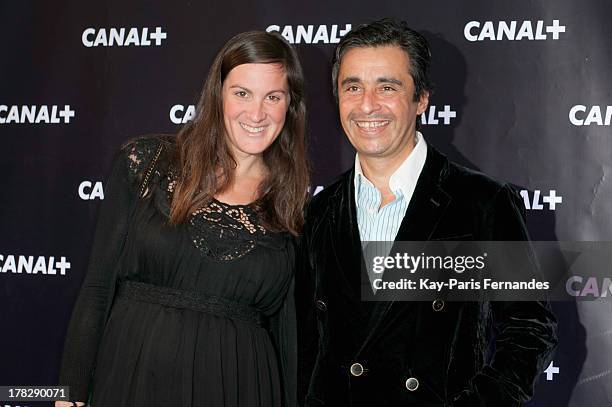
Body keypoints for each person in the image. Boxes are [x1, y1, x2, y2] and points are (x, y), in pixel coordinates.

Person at [297, 18, 557, 406]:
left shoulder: (482, 203)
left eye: (387, 87)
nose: (367, 105)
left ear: (421, 99)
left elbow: (530, 327)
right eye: (353, 87)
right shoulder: (317, 212)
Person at [57, 31, 308, 407]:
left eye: (273, 97)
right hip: (132, 377)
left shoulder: (292, 204)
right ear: (217, 95)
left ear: (290, 107)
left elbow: (287, 334)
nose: (257, 113)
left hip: (239, 389)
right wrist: (70, 393)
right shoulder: (147, 163)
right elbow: (97, 286)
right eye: (242, 93)